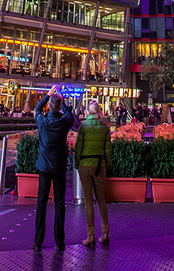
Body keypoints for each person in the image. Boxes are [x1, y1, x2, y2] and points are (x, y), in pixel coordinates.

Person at [33, 86, 74, 252]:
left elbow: (36, 109)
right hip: (58, 167)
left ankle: (37, 242)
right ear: (59, 106)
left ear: (49, 106)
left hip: (44, 166)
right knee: (59, 202)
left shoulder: (42, 121)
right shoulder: (64, 123)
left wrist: (48, 95)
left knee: (41, 203)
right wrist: (62, 101)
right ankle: (59, 241)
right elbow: (70, 115)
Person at [74, 100, 112, 247]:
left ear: (88, 112)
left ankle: (90, 235)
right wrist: (105, 165)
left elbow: (78, 147)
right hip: (99, 165)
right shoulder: (104, 127)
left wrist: (78, 164)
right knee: (101, 200)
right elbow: (108, 149)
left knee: (88, 201)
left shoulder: (83, 127)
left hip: (84, 164)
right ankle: (105, 233)